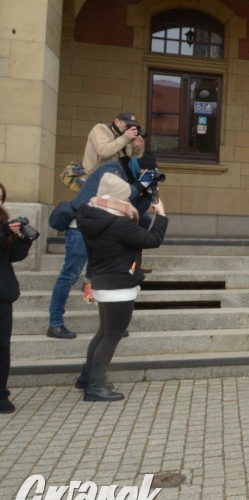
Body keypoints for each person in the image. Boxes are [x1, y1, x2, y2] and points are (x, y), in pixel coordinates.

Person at [75, 173, 168, 402]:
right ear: (116, 198)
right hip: (119, 286)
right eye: (126, 198)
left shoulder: (93, 217)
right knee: (112, 336)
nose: (128, 202)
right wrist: (162, 216)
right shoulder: (118, 223)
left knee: (104, 332)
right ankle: (96, 386)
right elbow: (152, 240)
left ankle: (87, 378)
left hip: (102, 281)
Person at [46, 161, 147, 339]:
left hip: (101, 232)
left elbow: (138, 211)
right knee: (70, 275)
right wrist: (140, 185)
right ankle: (55, 323)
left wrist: (146, 191)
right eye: (142, 171)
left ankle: (111, 326)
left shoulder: (123, 177)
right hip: (80, 230)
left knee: (101, 277)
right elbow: (124, 194)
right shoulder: (111, 171)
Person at [0, 183, 36, 414]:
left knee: (2, 346)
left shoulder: (4, 221)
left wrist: (24, 239)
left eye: (0, 197)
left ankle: (1, 395)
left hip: (2, 293)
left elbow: (12, 257)